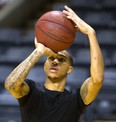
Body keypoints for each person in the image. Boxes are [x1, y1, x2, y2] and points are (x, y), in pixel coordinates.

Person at [4, 5, 104, 122]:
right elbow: (10, 84)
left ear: (69, 69)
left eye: (61, 59)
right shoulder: (31, 90)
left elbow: (97, 79)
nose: (55, 61)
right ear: (45, 65)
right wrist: (39, 51)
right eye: (51, 58)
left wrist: (91, 33)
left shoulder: (76, 98)